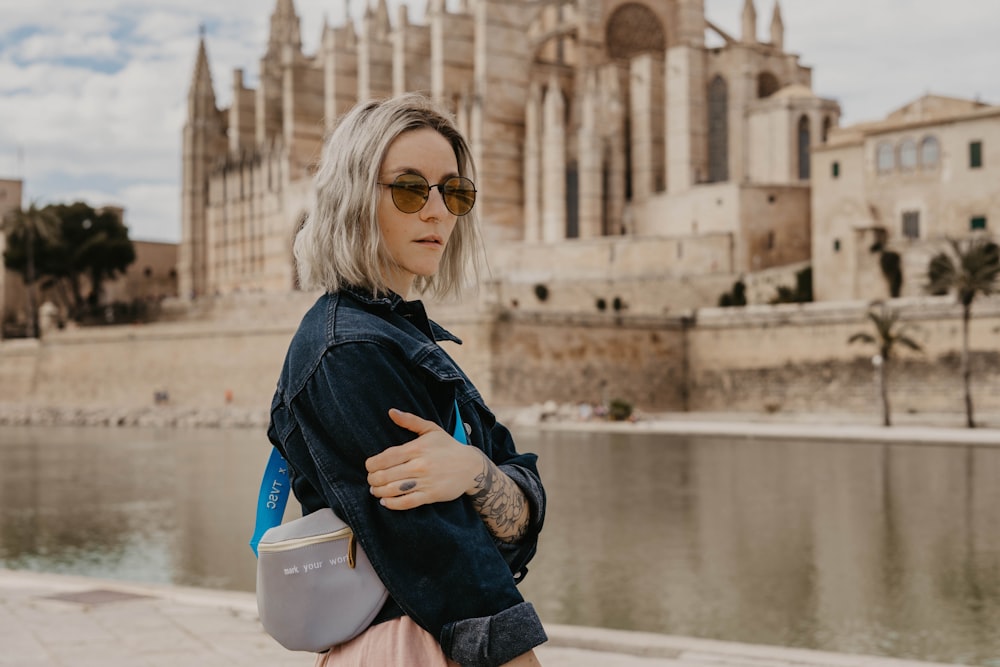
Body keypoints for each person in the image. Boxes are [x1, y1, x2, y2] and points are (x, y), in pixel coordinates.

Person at [266, 93, 547, 667]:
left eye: (454, 191)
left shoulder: (400, 337)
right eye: (410, 188)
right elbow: (449, 560)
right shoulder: (350, 350)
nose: (437, 211)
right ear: (352, 198)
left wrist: (473, 471)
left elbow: (524, 499)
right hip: (410, 646)